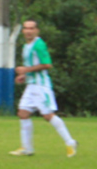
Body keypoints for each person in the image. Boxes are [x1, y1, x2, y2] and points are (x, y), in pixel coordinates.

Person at [9, 20, 78, 157]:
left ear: (37, 30)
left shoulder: (39, 45)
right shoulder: (26, 46)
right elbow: (32, 67)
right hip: (31, 85)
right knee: (23, 113)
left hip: (41, 86)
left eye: (31, 28)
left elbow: (47, 64)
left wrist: (26, 69)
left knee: (48, 116)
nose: (28, 31)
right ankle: (27, 148)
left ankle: (70, 142)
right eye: (26, 28)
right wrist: (23, 75)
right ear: (23, 31)